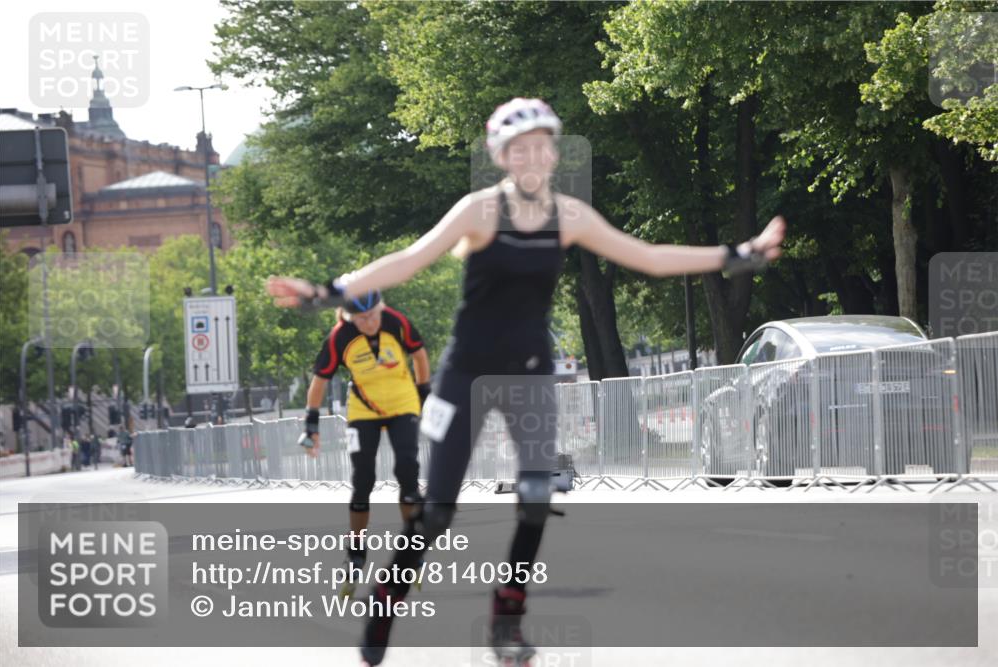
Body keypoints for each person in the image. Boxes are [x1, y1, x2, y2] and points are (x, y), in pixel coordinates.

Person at [267, 97, 785, 667]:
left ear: (554, 153)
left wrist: (738, 254)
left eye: (543, 146)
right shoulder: (479, 212)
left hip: (530, 371)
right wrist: (330, 292)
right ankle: (387, 600)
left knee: (537, 496)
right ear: (502, 157)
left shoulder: (570, 216)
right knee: (437, 511)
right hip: (466, 371)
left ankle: (507, 622)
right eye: (520, 149)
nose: (533, 156)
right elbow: (408, 260)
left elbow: (650, 256)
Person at [300, 290, 432, 595]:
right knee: (363, 480)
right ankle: (356, 552)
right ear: (349, 317)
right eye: (362, 318)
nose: (370, 322)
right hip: (363, 409)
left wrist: (423, 394)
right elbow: (319, 381)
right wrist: (311, 424)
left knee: (407, 472)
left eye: (373, 315)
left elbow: (420, 355)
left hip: (402, 404)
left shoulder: (396, 321)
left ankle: (413, 545)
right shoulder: (339, 337)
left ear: (380, 308)